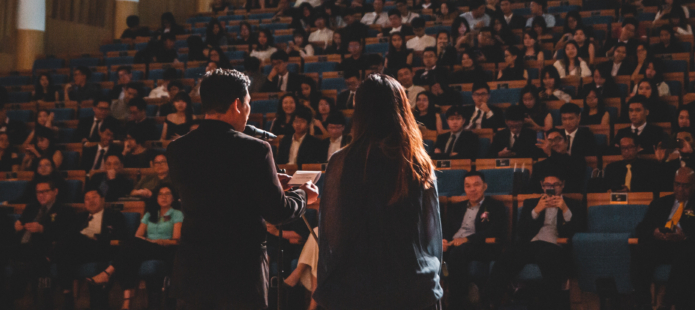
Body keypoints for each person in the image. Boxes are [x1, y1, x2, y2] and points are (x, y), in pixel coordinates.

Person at [166, 69, 317, 310]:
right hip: (240, 272)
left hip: (193, 267)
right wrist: (303, 196)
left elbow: (210, 189)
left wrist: (263, 179)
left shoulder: (177, 149)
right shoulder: (256, 149)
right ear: (237, 104)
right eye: (248, 103)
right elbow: (277, 212)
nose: (248, 110)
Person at [315, 74, 443, 310]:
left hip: (357, 284)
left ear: (360, 111)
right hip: (412, 282)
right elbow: (430, 231)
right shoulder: (418, 160)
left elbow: (331, 234)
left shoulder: (341, 160)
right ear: (402, 108)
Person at [484, 169, 583, 310]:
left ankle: (550, 305)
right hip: (532, 245)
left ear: (562, 185)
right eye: (548, 185)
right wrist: (536, 210)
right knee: (507, 256)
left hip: (555, 247)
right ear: (542, 186)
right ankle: (490, 301)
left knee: (546, 255)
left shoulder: (572, 204)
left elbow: (576, 232)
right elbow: (522, 232)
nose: (551, 188)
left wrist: (565, 209)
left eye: (556, 185)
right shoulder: (531, 203)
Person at [632, 167, 695, 310]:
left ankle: (667, 303)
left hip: (686, 244)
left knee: (686, 253)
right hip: (661, 243)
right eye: (677, 184)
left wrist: (685, 237)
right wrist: (654, 232)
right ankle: (643, 303)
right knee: (640, 250)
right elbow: (641, 228)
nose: (680, 189)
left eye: (685, 185)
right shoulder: (660, 203)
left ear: (694, 185)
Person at [86, 184, 182, 310]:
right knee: (130, 249)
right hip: (148, 246)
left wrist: (162, 241)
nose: (163, 197)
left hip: (165, 248)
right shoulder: (150, 214)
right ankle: (126, 303)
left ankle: (109, 275)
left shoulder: (177, 214)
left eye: (167, 194)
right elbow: (138, 235)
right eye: (160, 194)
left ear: (173, 198)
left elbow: (176, 240)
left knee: (129, 249)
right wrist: (149, 241)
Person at [442, 171, 507, 310]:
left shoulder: (496, 206)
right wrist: (443, 240)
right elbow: (447, 230)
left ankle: (455, 302)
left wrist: (467, 239)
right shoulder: (456, 208)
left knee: (458, 253)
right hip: (454, 245)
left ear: (485, 186)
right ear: (464, 189)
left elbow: (494, 231)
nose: (472, 189)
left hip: (481, 246)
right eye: (468, 186)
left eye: (476, 185)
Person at [6, 179, 76, 305]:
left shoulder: (64, 210)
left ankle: (15, 295)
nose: (41, 195)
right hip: (22, 246)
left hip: (43, 249)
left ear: (55, 191)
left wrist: (42, 229)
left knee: (33, 264)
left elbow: (64, 236)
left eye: (45, 191)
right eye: (38, 192)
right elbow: (20, 225)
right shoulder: (31, 207)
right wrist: (16, 227)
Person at [57, 188, 127, 310]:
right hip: (80, 251)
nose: (90, 201)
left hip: (102, 249)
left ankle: (67, 295)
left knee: (70, 239)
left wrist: (96, 238)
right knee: (68, 242)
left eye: (94, 197)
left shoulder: (114, 216)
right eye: (87, 199)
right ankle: (68, 294)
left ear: (103, 199)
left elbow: (121, 238)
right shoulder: (79, 217)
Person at [528, 129, 587, 193]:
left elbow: (571, 185)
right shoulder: (538, 166)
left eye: (558, 139)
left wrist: (550, 155)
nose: (554, 143)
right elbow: (534, 190)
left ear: (566, 142)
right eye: (550, 141)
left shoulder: (577, 161)